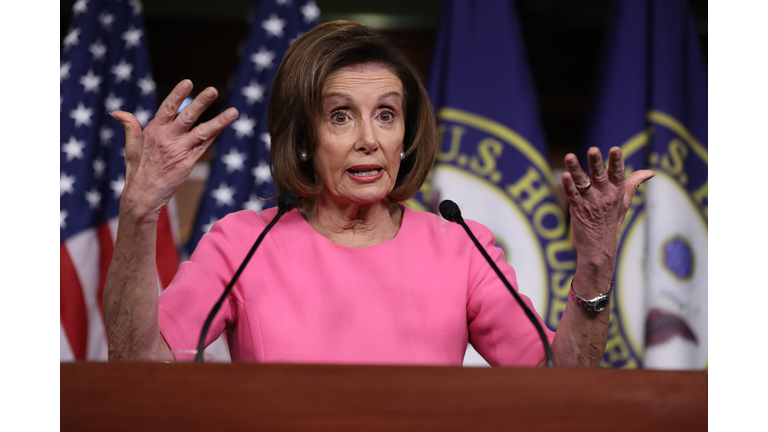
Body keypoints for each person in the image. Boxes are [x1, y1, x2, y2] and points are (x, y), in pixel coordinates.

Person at [103, 21, 654, 366]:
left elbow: (558, 381)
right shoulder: (241, 242)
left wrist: (598, 258)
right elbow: (138, 364)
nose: (369, 139)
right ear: (303, 139)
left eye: (386, 115)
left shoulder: (462, 246)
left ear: (406, 135)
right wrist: (140, 212)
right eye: (341, 116)